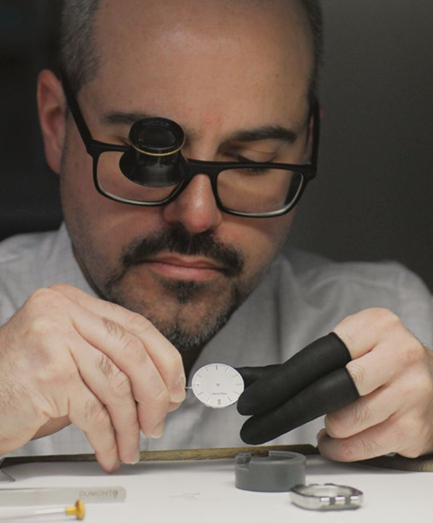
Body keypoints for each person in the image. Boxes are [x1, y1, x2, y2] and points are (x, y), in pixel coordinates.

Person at [0, 0, 432, 473]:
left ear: (307, 145)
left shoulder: (395, 323)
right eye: (150, 156)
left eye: (252, 162)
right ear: (56, 123)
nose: (197, 215)